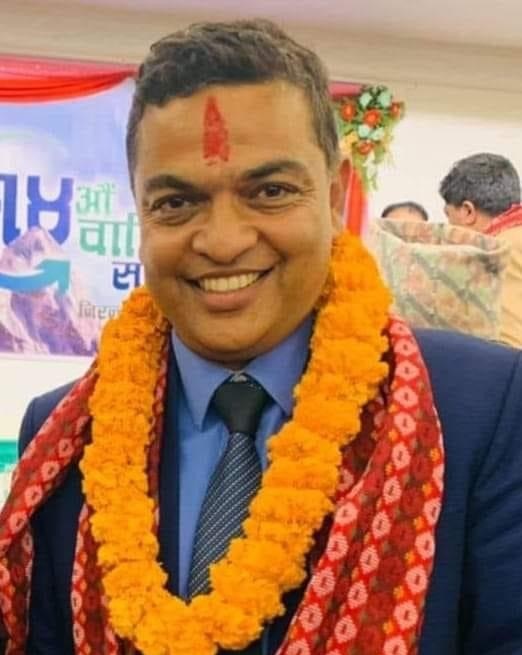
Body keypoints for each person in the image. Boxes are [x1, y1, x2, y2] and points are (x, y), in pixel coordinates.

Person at [1, 20, 522, 655]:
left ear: (334, 196)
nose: (223, 242)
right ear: (140, 211)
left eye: (270, 191)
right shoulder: (62, 434)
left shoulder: (478, 412)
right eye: (176, 203)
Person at [440, 152, 522, 347]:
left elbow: (508, 347)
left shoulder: (499, 252)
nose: (448, 227)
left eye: (449, 216)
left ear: (468, 212)